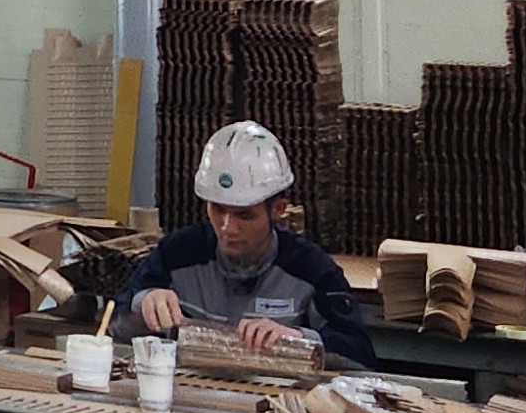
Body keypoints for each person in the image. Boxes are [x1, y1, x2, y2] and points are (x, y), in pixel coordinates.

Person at [120, 123, 376, 365]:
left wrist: (298, 339)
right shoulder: (177, 254)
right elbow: (113, 327)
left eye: (244, 215)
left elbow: (359, 353)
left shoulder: (310, 269)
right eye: (218, 209)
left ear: (278, 210)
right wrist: (144, 302)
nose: (227, 227)